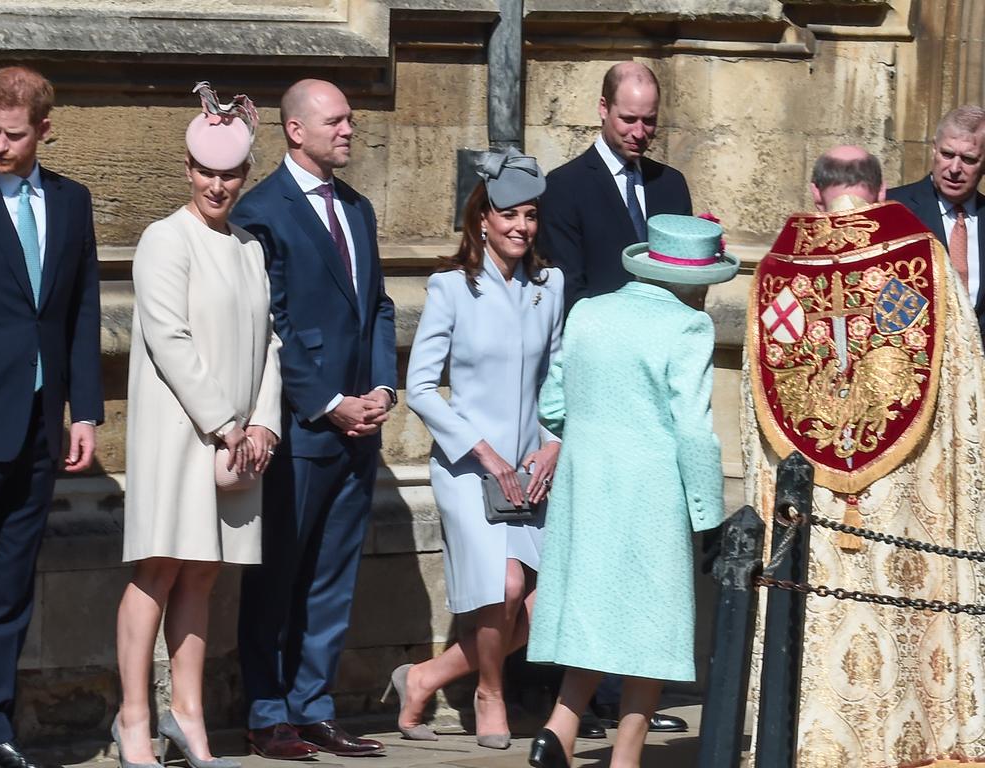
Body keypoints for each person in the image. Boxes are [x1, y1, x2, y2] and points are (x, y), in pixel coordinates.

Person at [741, 146, 985, 767]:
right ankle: (913, 734)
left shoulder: (777, 271)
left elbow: (754, 394)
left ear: (816, 192)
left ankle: (805, 737)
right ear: (880, 194)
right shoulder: (921, 257)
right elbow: (964, 378)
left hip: (810, 498)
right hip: (901, 496)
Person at [525, 213, 737, 768]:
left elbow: (552, 404)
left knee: (596, 614)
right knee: (653, 629)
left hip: (586, 487)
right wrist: (709, 514)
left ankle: (559, 730)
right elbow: (693, 429)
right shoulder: (688, 327)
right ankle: (626, 757)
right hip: (653, 492)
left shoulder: (588, 311)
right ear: (694, 281)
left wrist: (597, 442)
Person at [113, 83, 281, 768]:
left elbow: (271, 341)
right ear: (188, 169)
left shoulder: (248, 247)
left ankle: (188, 715)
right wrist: (226, 424)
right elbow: (169, 339)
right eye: (206, 171)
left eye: (230, 173)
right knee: (158, 567)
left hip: (237, 440)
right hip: (181, 435)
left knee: (205, 573)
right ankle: (132, 719)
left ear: (245, 175)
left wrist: (265, 423)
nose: (218, 184)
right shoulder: (164, 238)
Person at [233, 79, 397, 760]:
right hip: (301, 429)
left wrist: (383, 387)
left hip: (362, 428)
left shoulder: (356, 208)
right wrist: (330, 403)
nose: (349, 130)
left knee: (333, 577)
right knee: (278, 575)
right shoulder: (262, 211)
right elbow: (273, 323)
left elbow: (380, 307)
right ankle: (268, 711)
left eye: (350, 120)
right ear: (294, 130)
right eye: (335, 121)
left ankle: (314, 704)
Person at [392, 148, 563, 749]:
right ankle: (489, 693)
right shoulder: (450, 288)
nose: (521, 227)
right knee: (508, 587)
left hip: (531, 470)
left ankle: (424, 678)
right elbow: (420, 388)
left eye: (531, 215)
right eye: (508, 214)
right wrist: (481, 450)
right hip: (469, 469)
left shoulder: (550, 286)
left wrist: (554, 446)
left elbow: (558, 377)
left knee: (543, 604)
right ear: (482, 219)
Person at [0, 66, 103, 768]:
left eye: (14, 135)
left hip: (43, 428)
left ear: (45, 129)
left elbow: (79, 313)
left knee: (11, 588)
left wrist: (85, 413)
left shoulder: (73, 204)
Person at [539, 60, 692, 313]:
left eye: (649, 120)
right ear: (603, 108)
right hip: (599, 342)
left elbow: (686, 278)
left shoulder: (672, 185)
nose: (640, 132)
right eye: (629, 119)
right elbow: (569, 288)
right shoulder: (564, 186)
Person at [888, 106, 985, 342]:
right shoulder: (892, 210)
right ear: (933, 149)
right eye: (947, 154)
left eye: (969, 159)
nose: (954, 169)